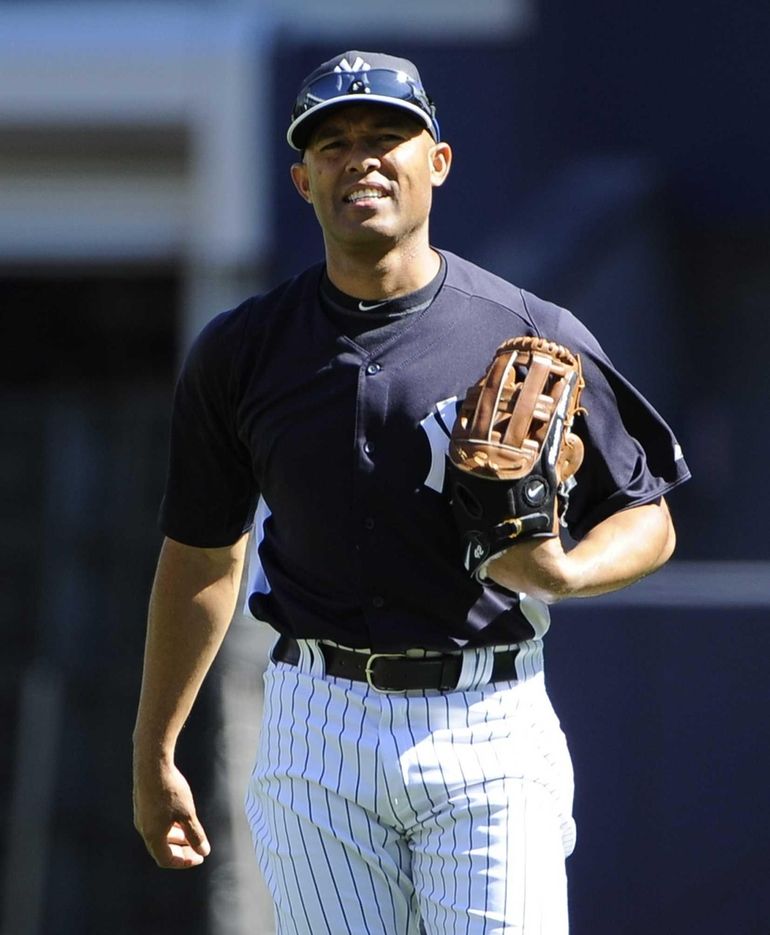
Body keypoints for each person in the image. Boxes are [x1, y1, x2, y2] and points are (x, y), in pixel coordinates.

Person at [133, 50, 690, 934]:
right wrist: (154, 748)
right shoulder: (241, 350)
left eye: (388, 135)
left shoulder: (529, 329)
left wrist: (568, 573)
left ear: (438, 161)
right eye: (335, 142)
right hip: (317, 721)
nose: (362, 157)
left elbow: (647, 512)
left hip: (489, 716)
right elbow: (202, 552)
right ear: (301, 178)